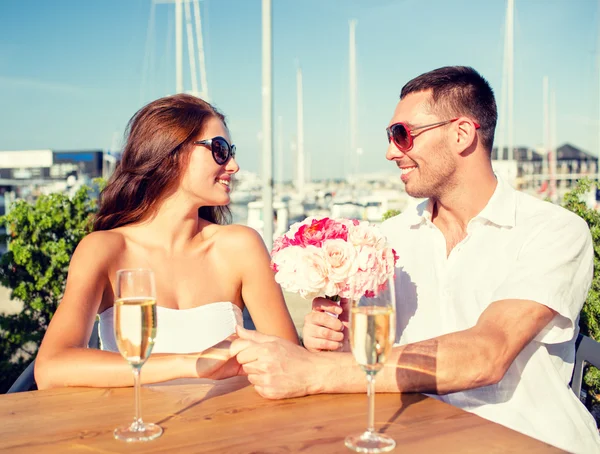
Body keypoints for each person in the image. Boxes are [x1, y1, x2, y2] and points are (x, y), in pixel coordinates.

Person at [230, 66, 600, 453]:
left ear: (461, 134)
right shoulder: (387, 240)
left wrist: (314, 372)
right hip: (413, 438)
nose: (391, 152)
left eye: (402, 135)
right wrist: (332, 339)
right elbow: (368, 361)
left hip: (529, 440)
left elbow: (486, 354)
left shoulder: (554, 231)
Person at [35, 93, 299, 389]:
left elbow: (291, 364)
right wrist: (192, 363)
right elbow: (51, 368)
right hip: (140, 429)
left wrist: (319, 342)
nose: (234, 166)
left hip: (232, 428)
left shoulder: (240, 247)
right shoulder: (104, 250)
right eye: (220, 150)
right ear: (170, 153)